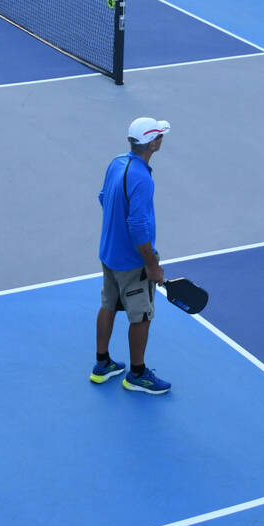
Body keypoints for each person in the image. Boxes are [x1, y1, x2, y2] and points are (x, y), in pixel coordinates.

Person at [95, 116, 172, 395]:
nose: (163, 139)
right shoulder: (142, 178)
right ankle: (136, 374)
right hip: (132, 261)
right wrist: (152, 265)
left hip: (109, 252)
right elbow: (138, 227)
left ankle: (102, 364)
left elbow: (104, 198)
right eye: (160, 136)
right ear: (152, 143)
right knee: (141, 317)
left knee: (108, 305)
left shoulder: (117, 162)